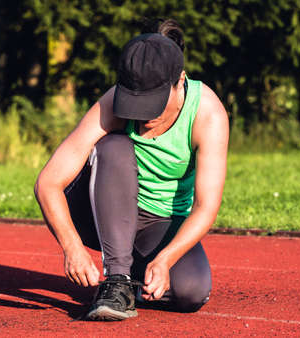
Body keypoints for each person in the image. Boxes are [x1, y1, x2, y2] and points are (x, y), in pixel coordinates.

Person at [34, 19, 229, 321]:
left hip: (160, 221)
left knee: (191, 292)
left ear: (180, 80)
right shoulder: (112, 102)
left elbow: (206, 208)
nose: (143, 116)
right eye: (134, 103)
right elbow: (48, 182)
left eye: (152, 104)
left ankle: (133, 278)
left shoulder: (208, 114)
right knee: (113, 146)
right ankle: (117, 280)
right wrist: (71, 247)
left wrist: (165, 259)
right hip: (101, 208)